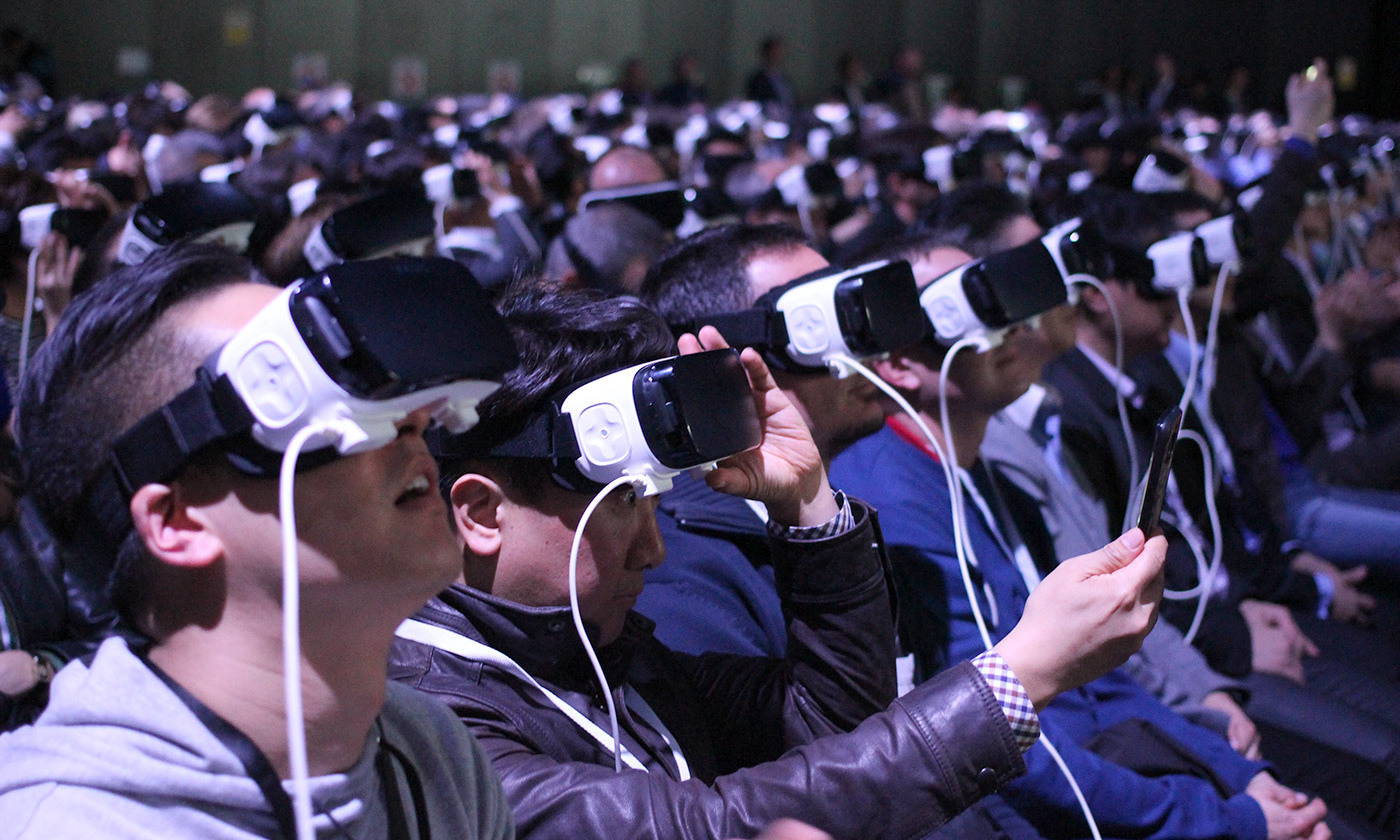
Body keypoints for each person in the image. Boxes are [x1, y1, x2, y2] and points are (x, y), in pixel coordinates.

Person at [388, 277, 1168, 840]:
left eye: (655, 503)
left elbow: (828, 723)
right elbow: (711, 828)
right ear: (483, 514)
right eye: (622, 503)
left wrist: (808, 505)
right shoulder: (425, 716)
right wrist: (1019, 677)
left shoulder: (594, 649)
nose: (654, 549)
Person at [0, 244, 514, 839]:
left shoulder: (435, 755)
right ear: (177, 521)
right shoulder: (64, 825)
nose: (414, 418)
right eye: (299, 388)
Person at [831, 240, 1331, 840]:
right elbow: (1002, 746)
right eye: (971, 306)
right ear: (898, 363)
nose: (1013, 323)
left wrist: (1232, 773)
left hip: (1117, 759)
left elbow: (1093, 674)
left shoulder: (982, 471)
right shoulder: (896, 505)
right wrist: (1232, 819)